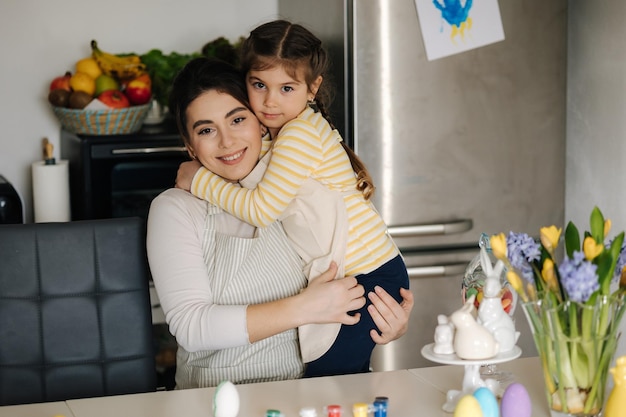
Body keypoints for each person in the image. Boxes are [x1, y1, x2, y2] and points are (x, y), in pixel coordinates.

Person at [148, 57, 413, 389]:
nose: (227, 141)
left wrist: (386, 321)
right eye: (206, 130)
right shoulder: (175, 209)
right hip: (222, 401)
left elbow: (358, 268)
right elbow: (192, 327)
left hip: (316, 395)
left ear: (261, 122)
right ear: (189, 145)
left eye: (237, 119)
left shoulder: (290, 189)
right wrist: (304, 308)